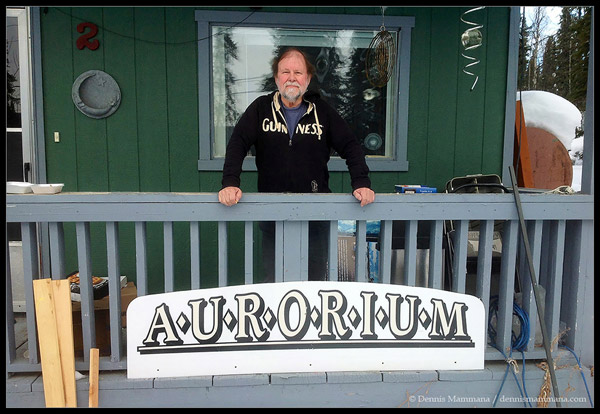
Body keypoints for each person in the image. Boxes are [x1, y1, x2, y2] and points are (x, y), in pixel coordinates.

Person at [218, 47, 375, 282]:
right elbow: (237, 144)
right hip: (273, 216)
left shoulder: (322, 112)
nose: (292, 77)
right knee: (276, 283)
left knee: (312, 285)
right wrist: (230, 182)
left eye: (298, 72)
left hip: (315, 216)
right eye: (285, 71)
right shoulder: (260, 109)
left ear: (308, 79)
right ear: (276, 78)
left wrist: (361, 182)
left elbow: (351, 146)